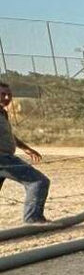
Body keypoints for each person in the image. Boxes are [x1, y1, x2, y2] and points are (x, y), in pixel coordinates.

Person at [0, 80, 50, 224]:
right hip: (3, 159)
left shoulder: (2, 112)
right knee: (38, 182)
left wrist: (26, 148)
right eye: (3, 94)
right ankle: (33, 219)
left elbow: (8, 135)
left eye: (9, 95)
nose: (7, 98)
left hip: (6, 156)